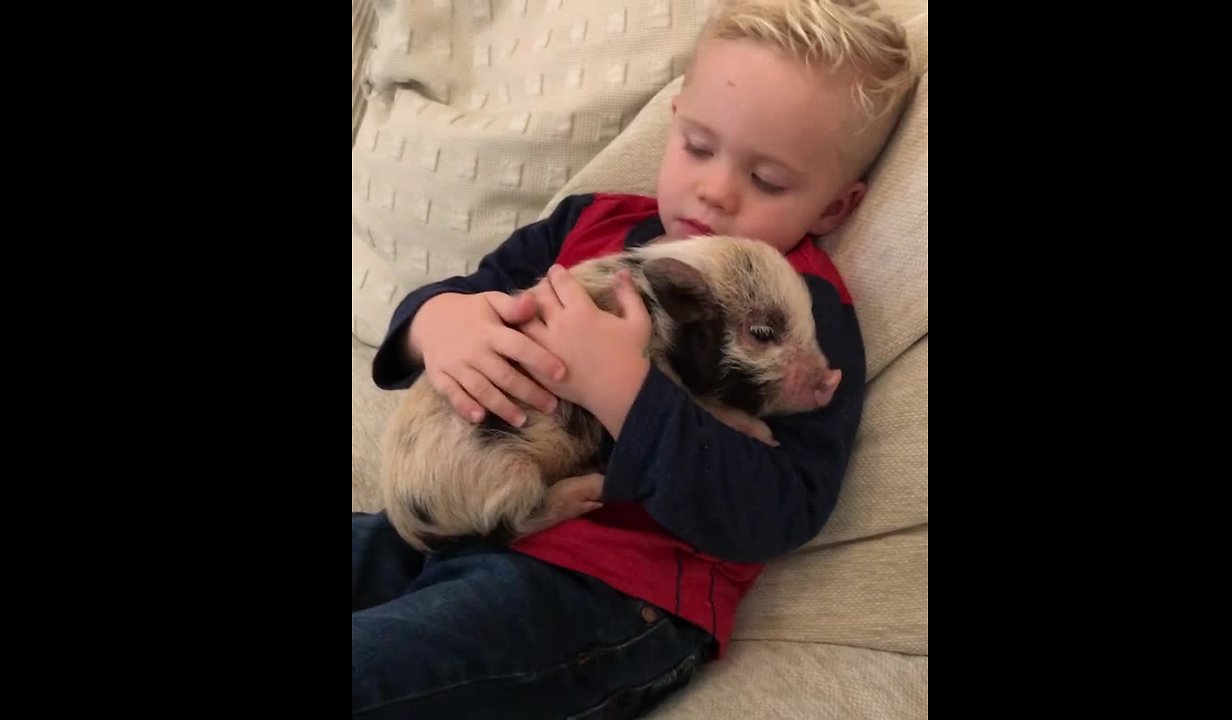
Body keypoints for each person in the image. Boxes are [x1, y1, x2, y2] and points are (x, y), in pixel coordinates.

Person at [352, 1, 916, 717]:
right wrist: (437, 321)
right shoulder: (591, 222)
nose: (714, 191)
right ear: (673, 118)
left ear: (836, 208)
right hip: (454, 522)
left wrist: (625, 391)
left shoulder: (802, 308)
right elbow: (474, 289)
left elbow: (780, 507)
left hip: (608, 592)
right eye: (697, 145)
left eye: (769, 180)